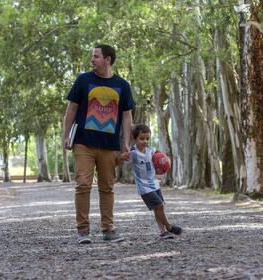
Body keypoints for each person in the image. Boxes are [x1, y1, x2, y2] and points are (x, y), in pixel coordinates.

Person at [64, 44, 134, 244]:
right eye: (92, 56)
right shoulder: (83, 80)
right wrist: (66, 135)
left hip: (109, 146)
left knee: (107, 188)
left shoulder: (123, 85)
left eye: (96, 56)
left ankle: (108, 230)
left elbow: (127, 117)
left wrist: (126, 144)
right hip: (83, 144)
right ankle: (82, 232)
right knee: (83, 185)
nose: (92, 59)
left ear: (108, 59)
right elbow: (71, 110)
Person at [120, 124, 183, 239]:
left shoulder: (151, 151)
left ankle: (162, 232)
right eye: (142, 138)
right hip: (144, 188)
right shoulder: (133, 154)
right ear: (135, 139)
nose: (145, 141)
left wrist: (164, 161)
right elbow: (123, 159)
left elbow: (160, 158)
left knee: (159, 208)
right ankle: (169, 227)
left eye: (147, 138)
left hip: (154, 184)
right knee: (159, 205)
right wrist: (122, 156)